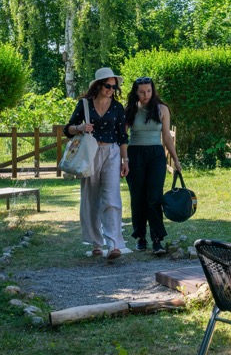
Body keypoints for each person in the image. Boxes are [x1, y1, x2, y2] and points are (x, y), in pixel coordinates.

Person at [64, 67, 129, 260]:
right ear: (99, 86)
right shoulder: (84, 104)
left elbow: (123, 136)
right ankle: (96, 243)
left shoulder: (117, 107)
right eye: (108, 86)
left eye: (114, 87)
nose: (111, 90)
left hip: (112, 153)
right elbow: (68, 129)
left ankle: (113, 244)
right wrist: (81, 127)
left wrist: (125, 160)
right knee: (91, 199)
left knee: (111, 198)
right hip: (89, 154)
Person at [124, 76, 181, 255]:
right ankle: (140, 237)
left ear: (153, 91)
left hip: (156, 155)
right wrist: (123, 159)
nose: (146, 95)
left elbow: (167, 137)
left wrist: (176, 160)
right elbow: (122, 137)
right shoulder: (130, 110)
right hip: (134, 155)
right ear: (136, 92)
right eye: (142, 92)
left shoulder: (162, 109)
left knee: (154, 197)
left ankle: (157, 239)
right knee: (138, 197)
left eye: (149, 91)